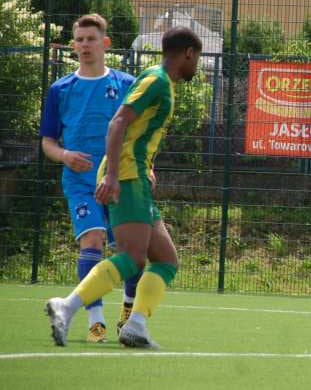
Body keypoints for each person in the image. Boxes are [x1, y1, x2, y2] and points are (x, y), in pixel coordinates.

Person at [45, 26, 202, 349]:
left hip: (137, 176)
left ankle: (136, 326)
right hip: (127, 176)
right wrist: (113, 176)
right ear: (188, 53)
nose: (196, 65)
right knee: (131, 256)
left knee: (166, 260)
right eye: (196, 58)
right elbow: (118, 123)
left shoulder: (162, 83)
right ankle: (67, 306)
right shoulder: (156, 81)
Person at [40, 13, 141, 343]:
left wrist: (147, 167)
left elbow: (140, 134)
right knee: (93, 241)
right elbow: (48, 142)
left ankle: (128, 312)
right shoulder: (60, 89)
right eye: (80, 40)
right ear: (73, 46)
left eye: (91, 39)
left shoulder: (126, 84)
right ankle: (95, 322)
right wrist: (65, 155)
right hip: (81, 181)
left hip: (122, 178)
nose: (85, 45)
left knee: (132, 250)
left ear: (105, 43)